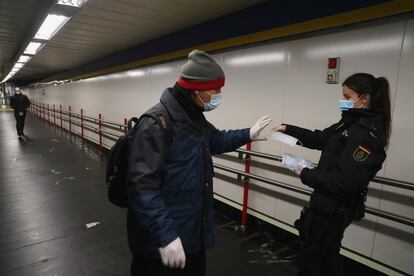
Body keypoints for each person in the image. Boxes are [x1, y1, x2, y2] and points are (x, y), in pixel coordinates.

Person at [127, 49, 271, 276]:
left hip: (191, 235)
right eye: (216, 89)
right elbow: (142, 187)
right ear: (196, 90)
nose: (219, 94)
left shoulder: (194, 117)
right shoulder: (156, 124)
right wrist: (166, 236)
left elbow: (215, 140)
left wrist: (248, 134)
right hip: (161, 243)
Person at [272, 73, 391, 276]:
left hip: (334, 209)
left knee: (314, 261)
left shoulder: (366, 136)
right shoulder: (347, 124)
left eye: (347, 96)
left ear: (364, 99)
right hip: (324, 204)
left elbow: (342, 183)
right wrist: (288, 129)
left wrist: (305, 172)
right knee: (325, 258)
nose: (343, 101)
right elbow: (320, 138)